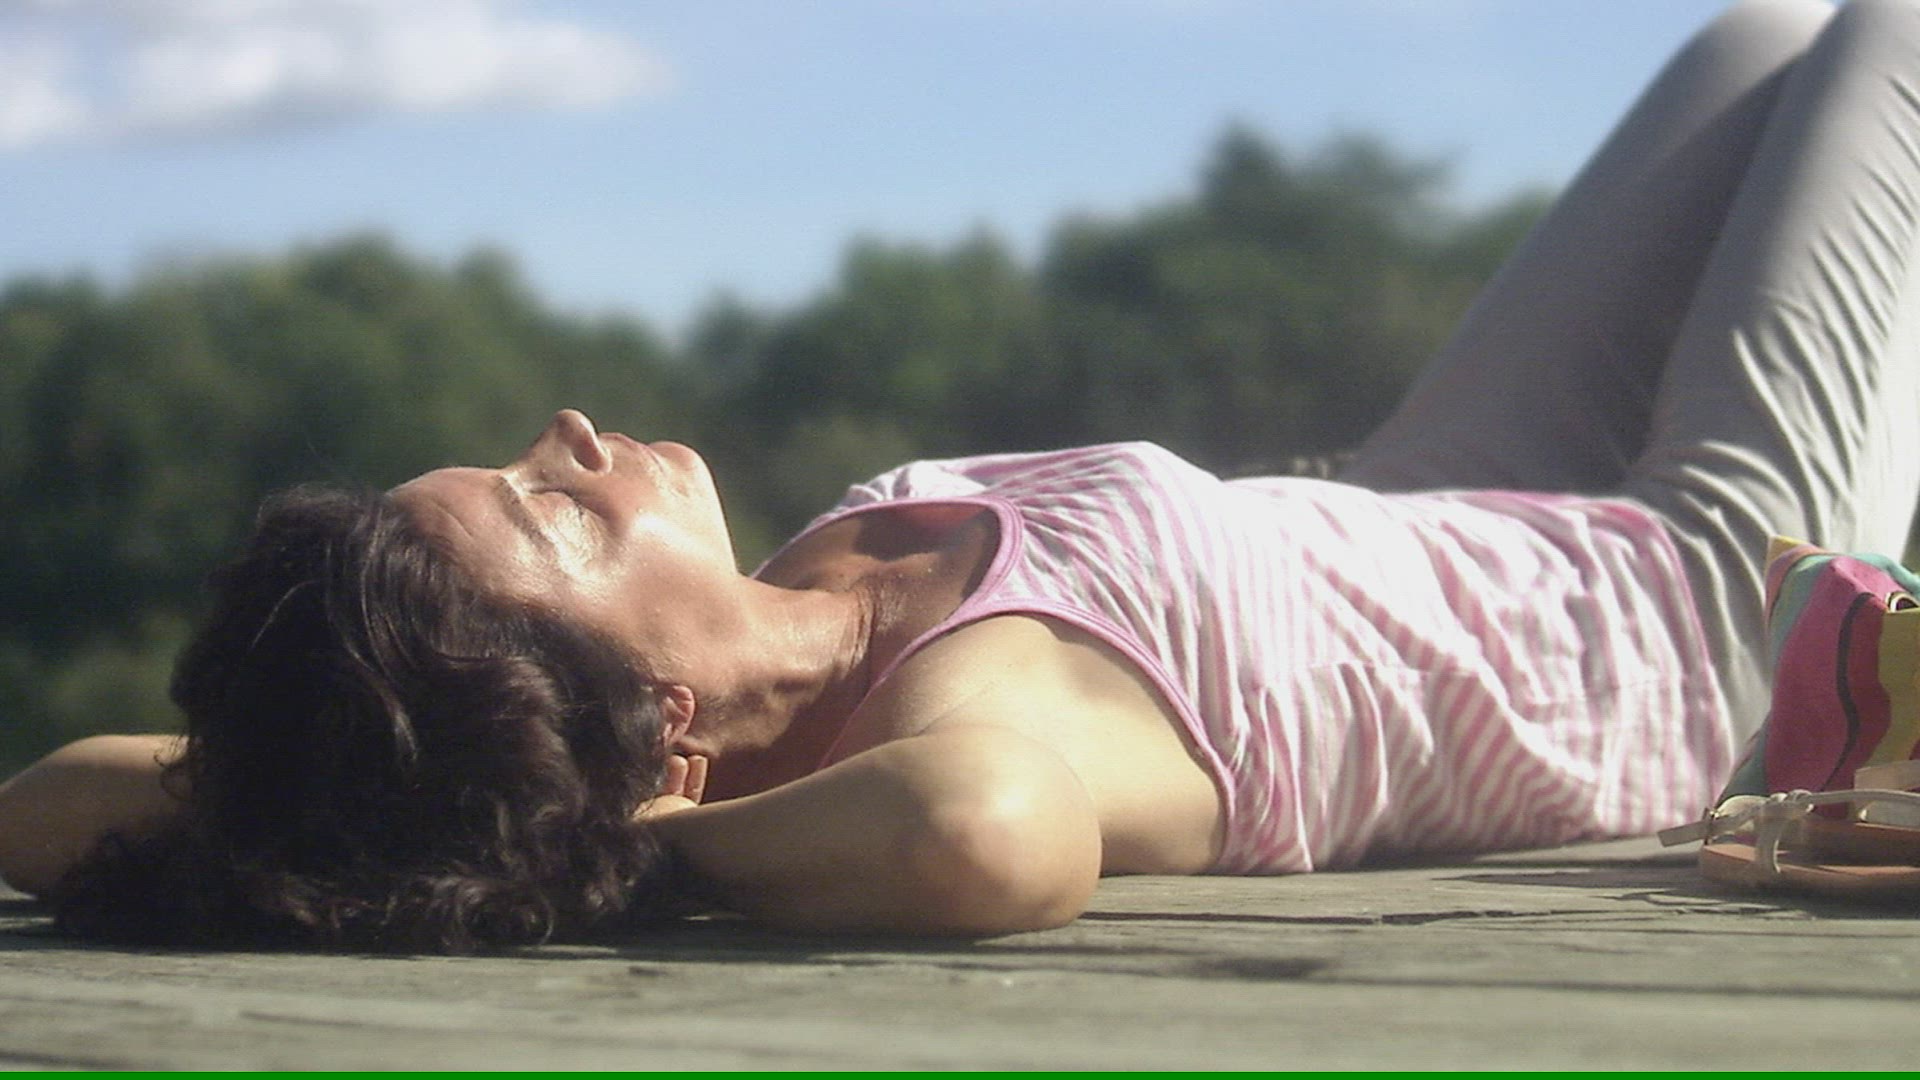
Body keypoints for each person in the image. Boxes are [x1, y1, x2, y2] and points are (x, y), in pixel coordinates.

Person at [4, 0, 1918, 952]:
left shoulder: (803, 604)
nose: (572, 435)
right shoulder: (959, 724)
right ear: (661, 727)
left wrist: (378, 801)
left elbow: (58, 799)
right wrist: (598, 851)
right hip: (1690, 614)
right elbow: (985, 834)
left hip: (1445, 503)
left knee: (1767, 29)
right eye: (557, 514)